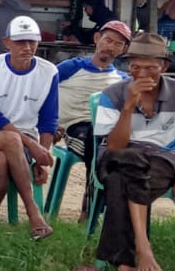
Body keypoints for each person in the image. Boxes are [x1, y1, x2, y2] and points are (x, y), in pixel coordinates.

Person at [89, 32, 175, 271]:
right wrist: (129, 107)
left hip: (161, 159)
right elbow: (115, 145)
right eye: (136, 67)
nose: (143, 74)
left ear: (164, 67)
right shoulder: (114, 93)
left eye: (151, 68)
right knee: (128, 159)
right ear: (128, 67)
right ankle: (142, 247)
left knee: (122, 181)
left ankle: (126, 268)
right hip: (117, 154)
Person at [0, 16, 60, 240]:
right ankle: (33, 211)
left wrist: (40, 155)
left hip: (25, 140)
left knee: (1, 162)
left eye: (32, 42)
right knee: (11, 141)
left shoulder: (49, 72)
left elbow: (48, 120)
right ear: (7, 43)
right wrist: (33, 147)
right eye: (20, 42)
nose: (27, 48)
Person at [55, 19, 130, 165]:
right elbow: (44, 92)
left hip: (107, 128)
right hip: (76, 128)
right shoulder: (70, 68)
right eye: (108, 40)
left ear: (123, 49)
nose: (111, 47)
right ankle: (95, 186)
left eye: (118, 44)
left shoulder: (122, 80)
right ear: (97, 38)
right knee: (97, 148)